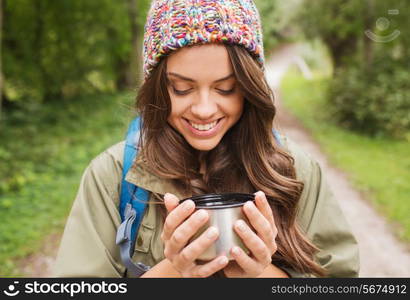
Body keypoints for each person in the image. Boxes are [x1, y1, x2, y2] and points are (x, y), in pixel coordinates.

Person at [53, 0, 359, 278]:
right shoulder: (112, 176)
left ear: (249, 88)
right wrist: (173, 271)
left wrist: (260, 276)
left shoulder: (295, 171)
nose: (203, 110)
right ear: (158, 87)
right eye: (182, 88)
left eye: (226, 88)